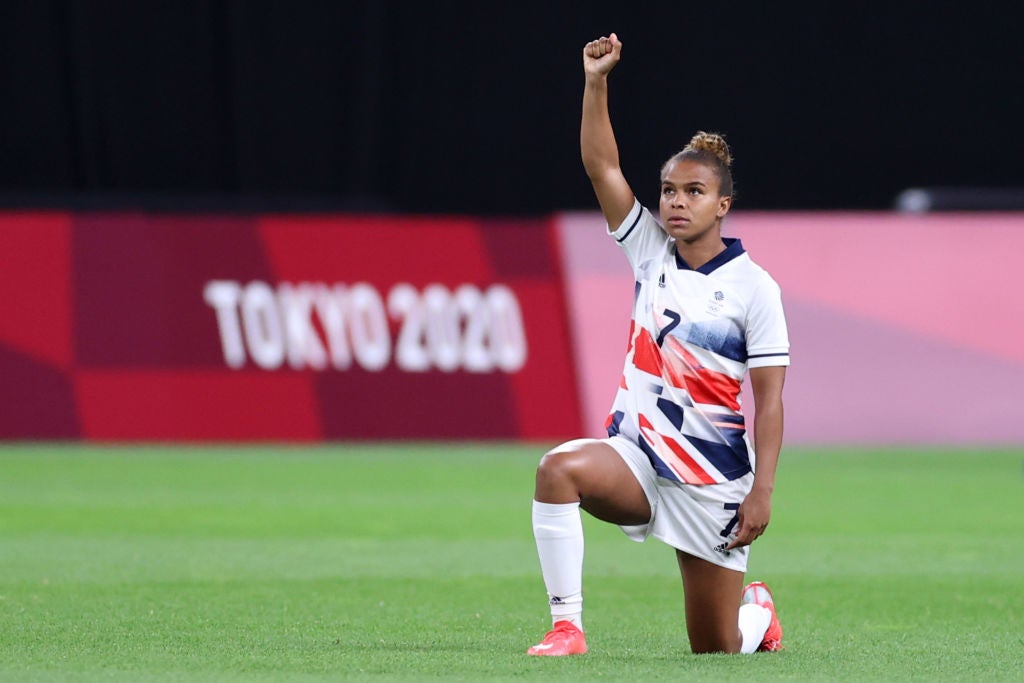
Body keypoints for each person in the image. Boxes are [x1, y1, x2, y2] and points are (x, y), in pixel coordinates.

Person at [526, 32, 790, 657]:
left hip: (713, 482)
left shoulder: (755, 289)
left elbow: (771, 403)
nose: (676, 201)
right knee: (558, 469)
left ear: (723, 204)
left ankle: (758, 616)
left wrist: (762, 492)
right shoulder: (650, 251)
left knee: (716, 648)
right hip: (640, 458)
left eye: (694, 192)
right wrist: (596, 83)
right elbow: (603, 167)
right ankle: (568, 627)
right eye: (670, 189)